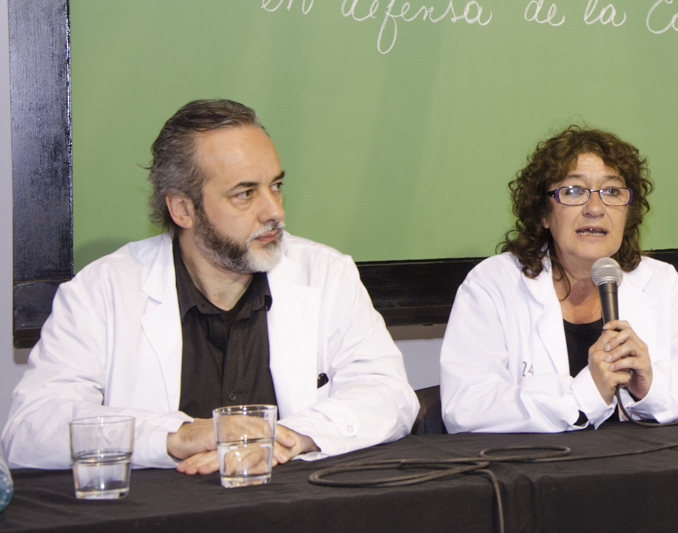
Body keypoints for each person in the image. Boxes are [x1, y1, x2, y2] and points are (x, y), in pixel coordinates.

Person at [2, 100, 418, 471]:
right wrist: (175, 437)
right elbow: (30, 430)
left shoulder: (325, 273)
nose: (274, 211)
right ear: (183, 209)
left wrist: (287, 437)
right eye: (244, 194)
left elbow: (391, 396)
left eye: (275, 186)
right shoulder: (101, 291)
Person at [440, 126, 678, 433]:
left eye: (612, 191)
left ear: (628, 212)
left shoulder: (659, 282)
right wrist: (585, 394)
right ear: (544, 213)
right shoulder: (493, 285)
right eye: (573, 191)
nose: (595, 209)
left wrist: (651, 386)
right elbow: (464, 408)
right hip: (540, 463)